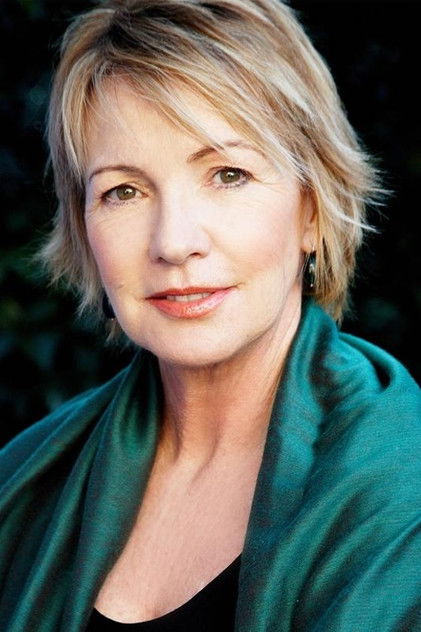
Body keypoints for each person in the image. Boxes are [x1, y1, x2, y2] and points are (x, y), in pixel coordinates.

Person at [0, 0, 420, 630]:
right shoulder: (22, 480)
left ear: (311, 211)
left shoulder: (402, 484)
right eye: (123, 191)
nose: (174, 242)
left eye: (227, 174)